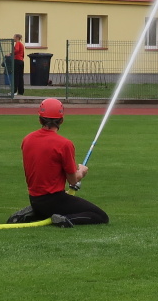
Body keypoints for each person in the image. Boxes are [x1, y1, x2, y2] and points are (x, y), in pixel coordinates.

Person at [7, 97, 109, 227]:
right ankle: (64, 219)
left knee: (52, 205)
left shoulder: (27, 139)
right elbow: (73, 180)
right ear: (61, 120)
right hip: (54, 201)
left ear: (40, 119)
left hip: (35, 199)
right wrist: (82, 172)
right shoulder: (64, 144)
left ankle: (33, 213)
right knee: (100, 216)